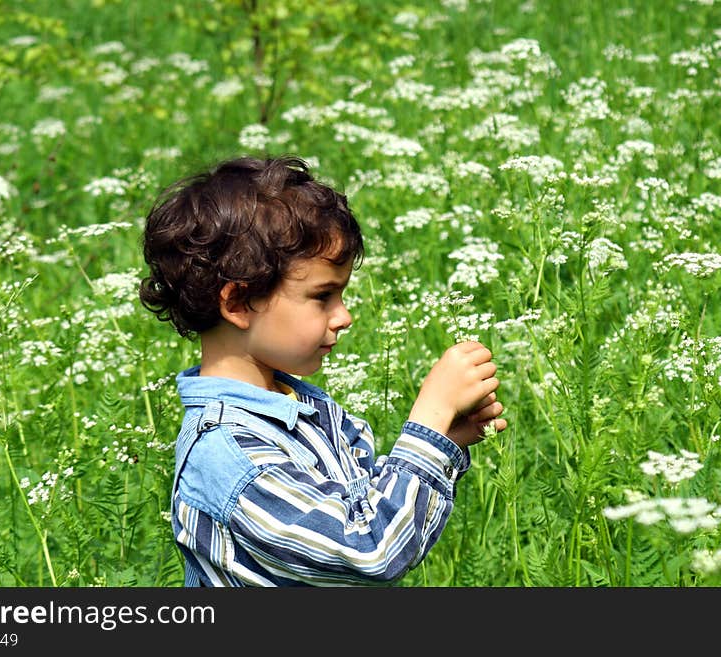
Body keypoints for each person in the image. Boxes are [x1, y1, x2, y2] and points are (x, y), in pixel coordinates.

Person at [139, 155, 507, 586]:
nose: (345, 316)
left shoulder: (303, 407)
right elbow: (369, 549)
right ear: (238, 303)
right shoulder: (227, 455)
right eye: (322, 296)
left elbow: (371, 508)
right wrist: (428, 419)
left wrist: (445, 440)